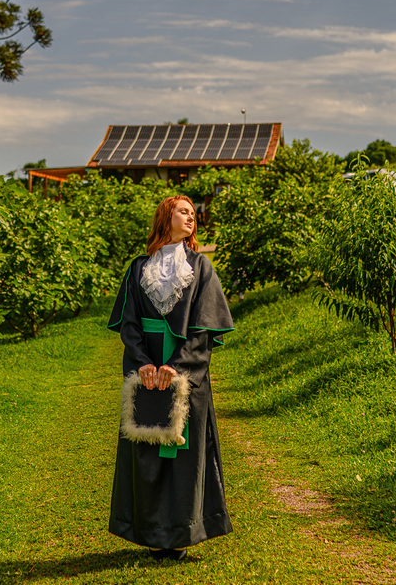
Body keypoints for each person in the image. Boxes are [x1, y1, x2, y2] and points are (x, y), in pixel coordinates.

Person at [107, 195, 235, 561]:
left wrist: (176, 366)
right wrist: (144, 363)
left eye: (193, 213)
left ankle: (179, 533)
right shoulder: (138, 267)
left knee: (182, 453)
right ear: (165, 216)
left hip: (185, 374)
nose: (191, 217)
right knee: (147, 448)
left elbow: (205, 327)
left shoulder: (200, 267)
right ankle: (151, 532)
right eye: (183, 211)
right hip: (148, 373)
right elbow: (129, 324)